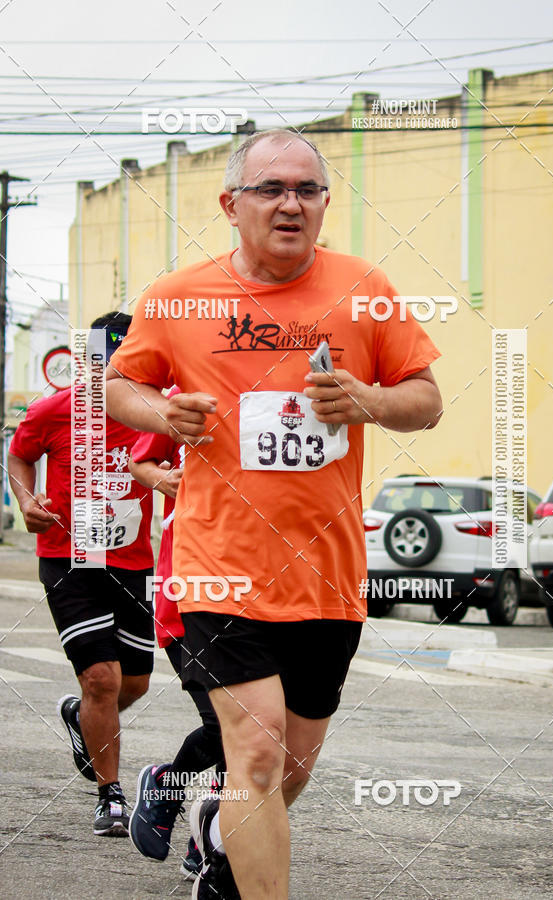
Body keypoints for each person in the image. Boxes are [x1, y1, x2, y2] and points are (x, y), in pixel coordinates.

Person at [105, 129, 443, 899]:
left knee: (290, 770)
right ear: (231, 204)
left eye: (307, 190)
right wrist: (163, 414)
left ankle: (218, 837)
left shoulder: (365, 288)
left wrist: (370, 399)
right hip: (217, 566)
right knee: (253, 757)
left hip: (326, 573)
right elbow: (120, 387)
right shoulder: (177, 296)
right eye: (271, 189)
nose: (291, 203)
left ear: (324, 204)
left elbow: (425, 402)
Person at [7, 312, 155, 837]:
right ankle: (110, 795)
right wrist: (26, 501)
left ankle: (79, 717)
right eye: (104, 362)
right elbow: (20, 455)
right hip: (69, 557)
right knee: (102, 678)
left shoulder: (156, 411)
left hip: (134, 562)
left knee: (132, 682)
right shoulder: (56, 410)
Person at [127, 390, 225, 879]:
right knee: (231, 726)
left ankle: (206, 834)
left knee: (260, 734)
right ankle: (188, 810)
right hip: (191, 591)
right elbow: (141, 461)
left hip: (271, 594)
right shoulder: (184, 393)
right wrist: (170, 480)